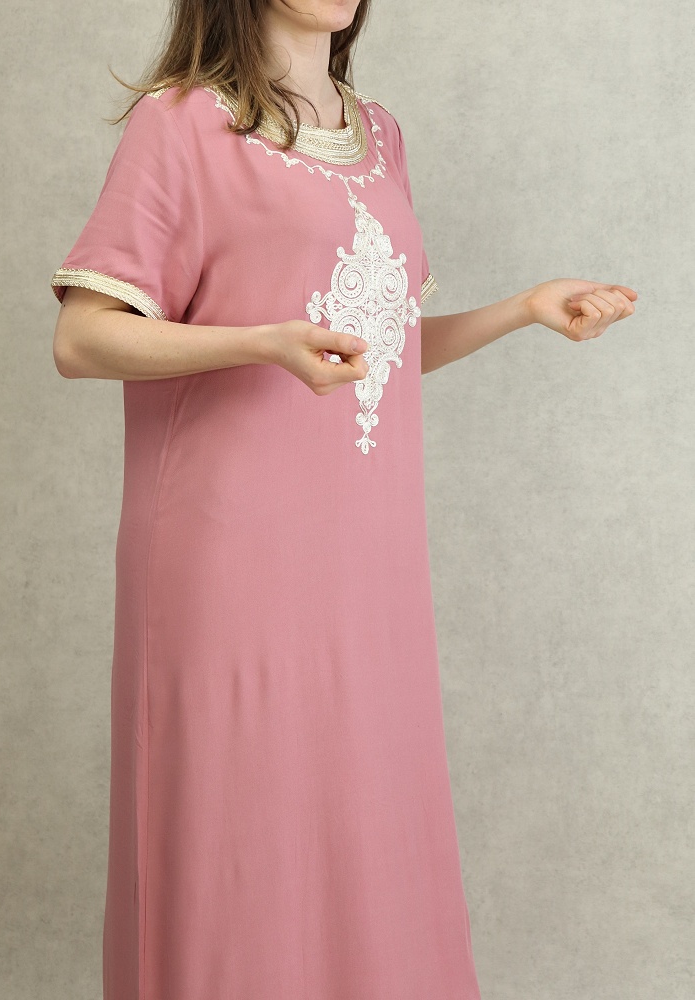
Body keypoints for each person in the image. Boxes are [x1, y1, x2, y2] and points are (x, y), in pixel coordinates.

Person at [49, 2, 637, 998]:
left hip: (366, 562)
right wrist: (260, 341)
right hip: (230, 553)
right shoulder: (181, 121)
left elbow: (374, 350)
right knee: (241, 834)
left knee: (366, 832)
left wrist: (523, 309)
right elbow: (83, 336)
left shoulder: (381, 136)